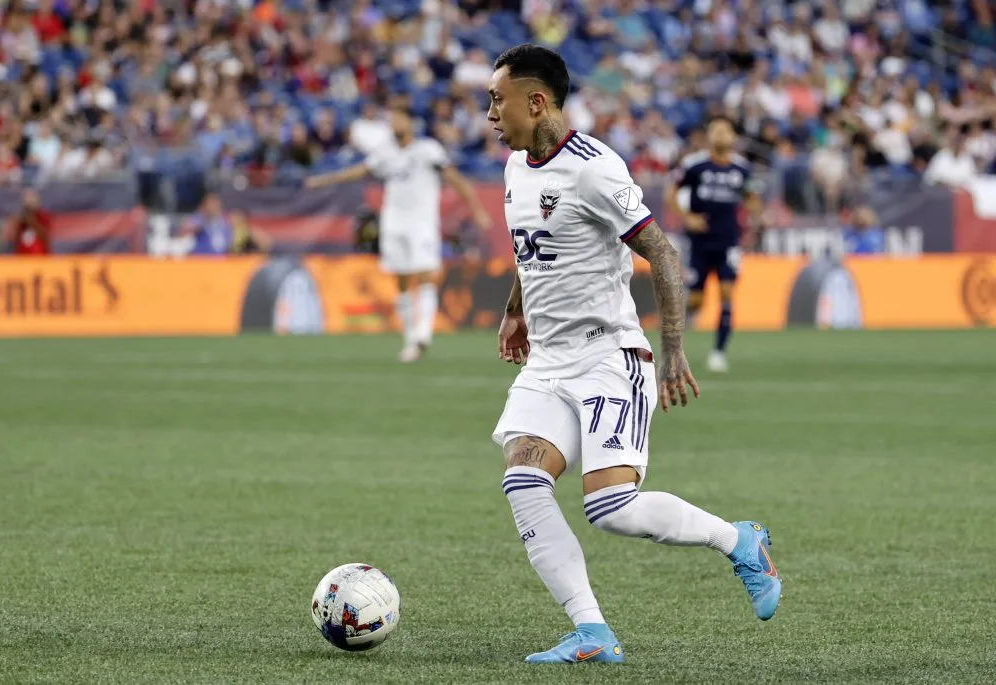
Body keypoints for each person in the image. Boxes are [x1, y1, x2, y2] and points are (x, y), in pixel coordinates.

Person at [487, 44, 780, 665]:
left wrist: (672, 350)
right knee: (523, 478)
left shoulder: (595, 168)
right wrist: (516, 309)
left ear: (536, 101)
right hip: (549, 363)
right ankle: (592, 632)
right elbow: (528, 246)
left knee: (610, 508)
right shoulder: (516, 168)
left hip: (607, 355)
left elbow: (664, 253)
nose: (490, 114)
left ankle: (739, 541)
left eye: (498, 100)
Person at [306, 107, 491, 362]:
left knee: (426, 275)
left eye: (399, 118)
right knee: (402, 281)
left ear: (410, 122)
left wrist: (477, 209)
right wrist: (325, 180)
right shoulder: (385, 153)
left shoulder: (428, 150)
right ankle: (411, 339)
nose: (395, 123)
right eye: (392, 119)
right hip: (394, 225)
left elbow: (456, 179)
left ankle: (423, 333)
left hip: (422, 224)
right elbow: (360, 171)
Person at [666, 116, 763, 373]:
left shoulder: (742, 169)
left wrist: (755, 215)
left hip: (728, 242)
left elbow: (752, 198)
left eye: (725, 131)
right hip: (699, 243)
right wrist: (687, 218)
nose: (720, 135)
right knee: (696, 300)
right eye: (715, 130)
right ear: (708, 136)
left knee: (727, 293)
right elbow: (671, 195)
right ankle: (674, 347)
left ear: (733, 137)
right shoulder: (694, 165)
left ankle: (718, 352)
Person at [5, 189, 51, 256]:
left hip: (40, 256)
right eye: (26, 197)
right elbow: (10, 237)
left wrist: (32, 221)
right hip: (23, 257)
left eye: (32, 197)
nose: (29, 200)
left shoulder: (43, 215)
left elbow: (45, 236)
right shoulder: (19, 217)